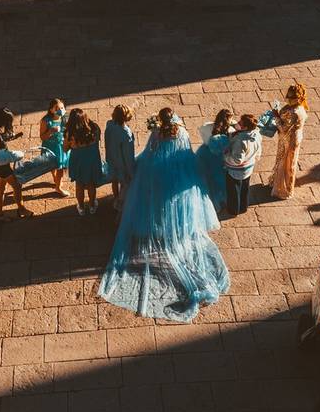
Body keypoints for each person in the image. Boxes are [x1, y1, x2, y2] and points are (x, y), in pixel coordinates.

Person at [98, 107, 230, 323]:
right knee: (176, 207)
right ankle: (173, 229)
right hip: (179, 179)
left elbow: (151, 153)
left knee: (154, 204)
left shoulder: (157, 134)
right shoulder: (183, 133)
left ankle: (156, 226)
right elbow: (187, 154)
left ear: (161, 121)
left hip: (158, 175)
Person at [0, 107, 33, 222]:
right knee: (16, 186)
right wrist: (14, 155)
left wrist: (12, 137)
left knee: (1, 188)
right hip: (1, 167)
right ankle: (21, 209)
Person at [269, 83, 310, 199]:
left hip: (289, 139)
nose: (289, 100)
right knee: (286, 160)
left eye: (291, 98)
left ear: (298, 98)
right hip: (292, 137)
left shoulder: (294, 112)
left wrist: (276, 116)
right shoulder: (298, 107)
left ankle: (283, 189)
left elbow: (283, 128)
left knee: (286, 162)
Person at [63, 108, 104, 216]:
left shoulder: (70, 134)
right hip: (92, 160)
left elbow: (65, 149)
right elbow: (98, 140)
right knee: (91, 184)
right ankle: (92, 206)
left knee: (79, 185)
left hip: (78, 162)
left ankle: (81, 207)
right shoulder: (95, 128)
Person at [195, 108, 235, 213]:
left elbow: (203, 136)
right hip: (222, 158)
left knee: (208, 178)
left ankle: (210, 200)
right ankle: (223, 201)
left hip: (206, 154)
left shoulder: (206, 127)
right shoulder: (231, 131)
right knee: (221, 180)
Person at [222, 114, 262, 217]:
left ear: (246, 127)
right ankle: (243, 207)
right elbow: (258, 151)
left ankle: (233, 210)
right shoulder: (256, 134)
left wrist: (225, 155)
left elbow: (237, 160)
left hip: (236, 170)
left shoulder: (241, 141)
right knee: (245, 188)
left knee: (234, 191)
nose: (238, 123)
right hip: (249, 167)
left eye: (240, 123)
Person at [105, 105, 137, 214]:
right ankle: (120, 203)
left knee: (114, 181)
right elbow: (128, 155)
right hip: (122, 164)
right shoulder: (126, 134)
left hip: (111, 159)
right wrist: (131, 171)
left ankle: (115, 197)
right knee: (124, 184)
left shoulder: (109, 124)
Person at [39, 98, 70, 196]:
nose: (60, 110)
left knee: (61, 167)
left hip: (62, 146)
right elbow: (42, 137)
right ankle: (57, 183)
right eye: (56, 108)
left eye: (62, 107)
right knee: (52, 165)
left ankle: (58, 186)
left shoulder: (65, 118)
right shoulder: (46, 121)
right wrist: (51, 131)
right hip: (51, 147)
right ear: (51, 110)